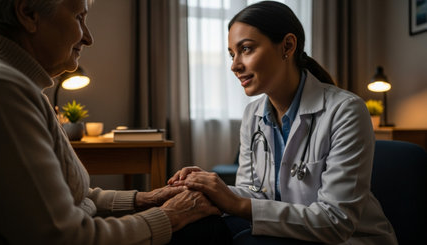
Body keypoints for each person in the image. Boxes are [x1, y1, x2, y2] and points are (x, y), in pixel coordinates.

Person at [0, 0, 222, 244]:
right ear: (28, 14)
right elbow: (63, 236)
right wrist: (171, 216)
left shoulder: (19, 84)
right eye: (79, 18)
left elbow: (73, 197)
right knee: (210, 229)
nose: (88, 38)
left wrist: (145, 198)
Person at [169, 1, 398, 244]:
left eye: (246, 49)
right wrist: (211, 189)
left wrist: (233, 202)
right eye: (232, 54)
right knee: (192, 229)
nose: (235, 65)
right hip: (288, 233)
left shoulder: (345, 111)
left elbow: (336, 222)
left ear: (287, 46)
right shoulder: (252, 115)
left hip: (347, 239)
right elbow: (253, 194)